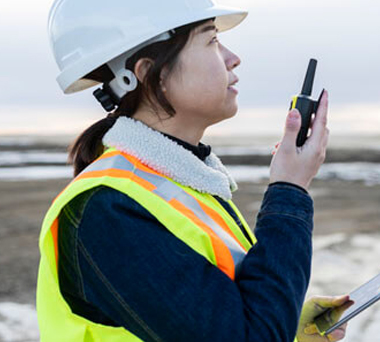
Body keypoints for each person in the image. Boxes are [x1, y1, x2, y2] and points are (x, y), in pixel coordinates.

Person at [36, 0, 351, 341]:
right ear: (147, 72)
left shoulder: (180, 184)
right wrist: (290, 189)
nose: (233, 58)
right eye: (211, 40)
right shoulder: (105, 211)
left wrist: (285, 322)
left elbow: (225, 318)